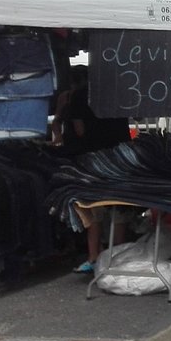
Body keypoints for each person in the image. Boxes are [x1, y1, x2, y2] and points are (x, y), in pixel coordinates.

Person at [57, 65, 131, 274]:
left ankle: (93, 258)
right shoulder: (118, 92)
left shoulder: (79, 96)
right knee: (119, 208)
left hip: (93, 159)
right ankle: (116, 258)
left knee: (94, 209)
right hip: (120, 156)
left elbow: (79, 130)